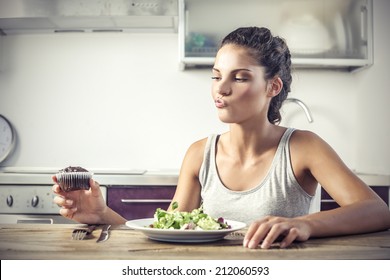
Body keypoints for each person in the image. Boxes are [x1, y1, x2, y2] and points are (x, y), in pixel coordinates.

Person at [52, 26, 390, 249]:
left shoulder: (303, 147)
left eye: (239, 78)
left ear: (272, 87)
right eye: (217, 76)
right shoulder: (199, 153)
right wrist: (102, 214)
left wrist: (303, 225)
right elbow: (169, 232)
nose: (221, 89)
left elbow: (376, 210)